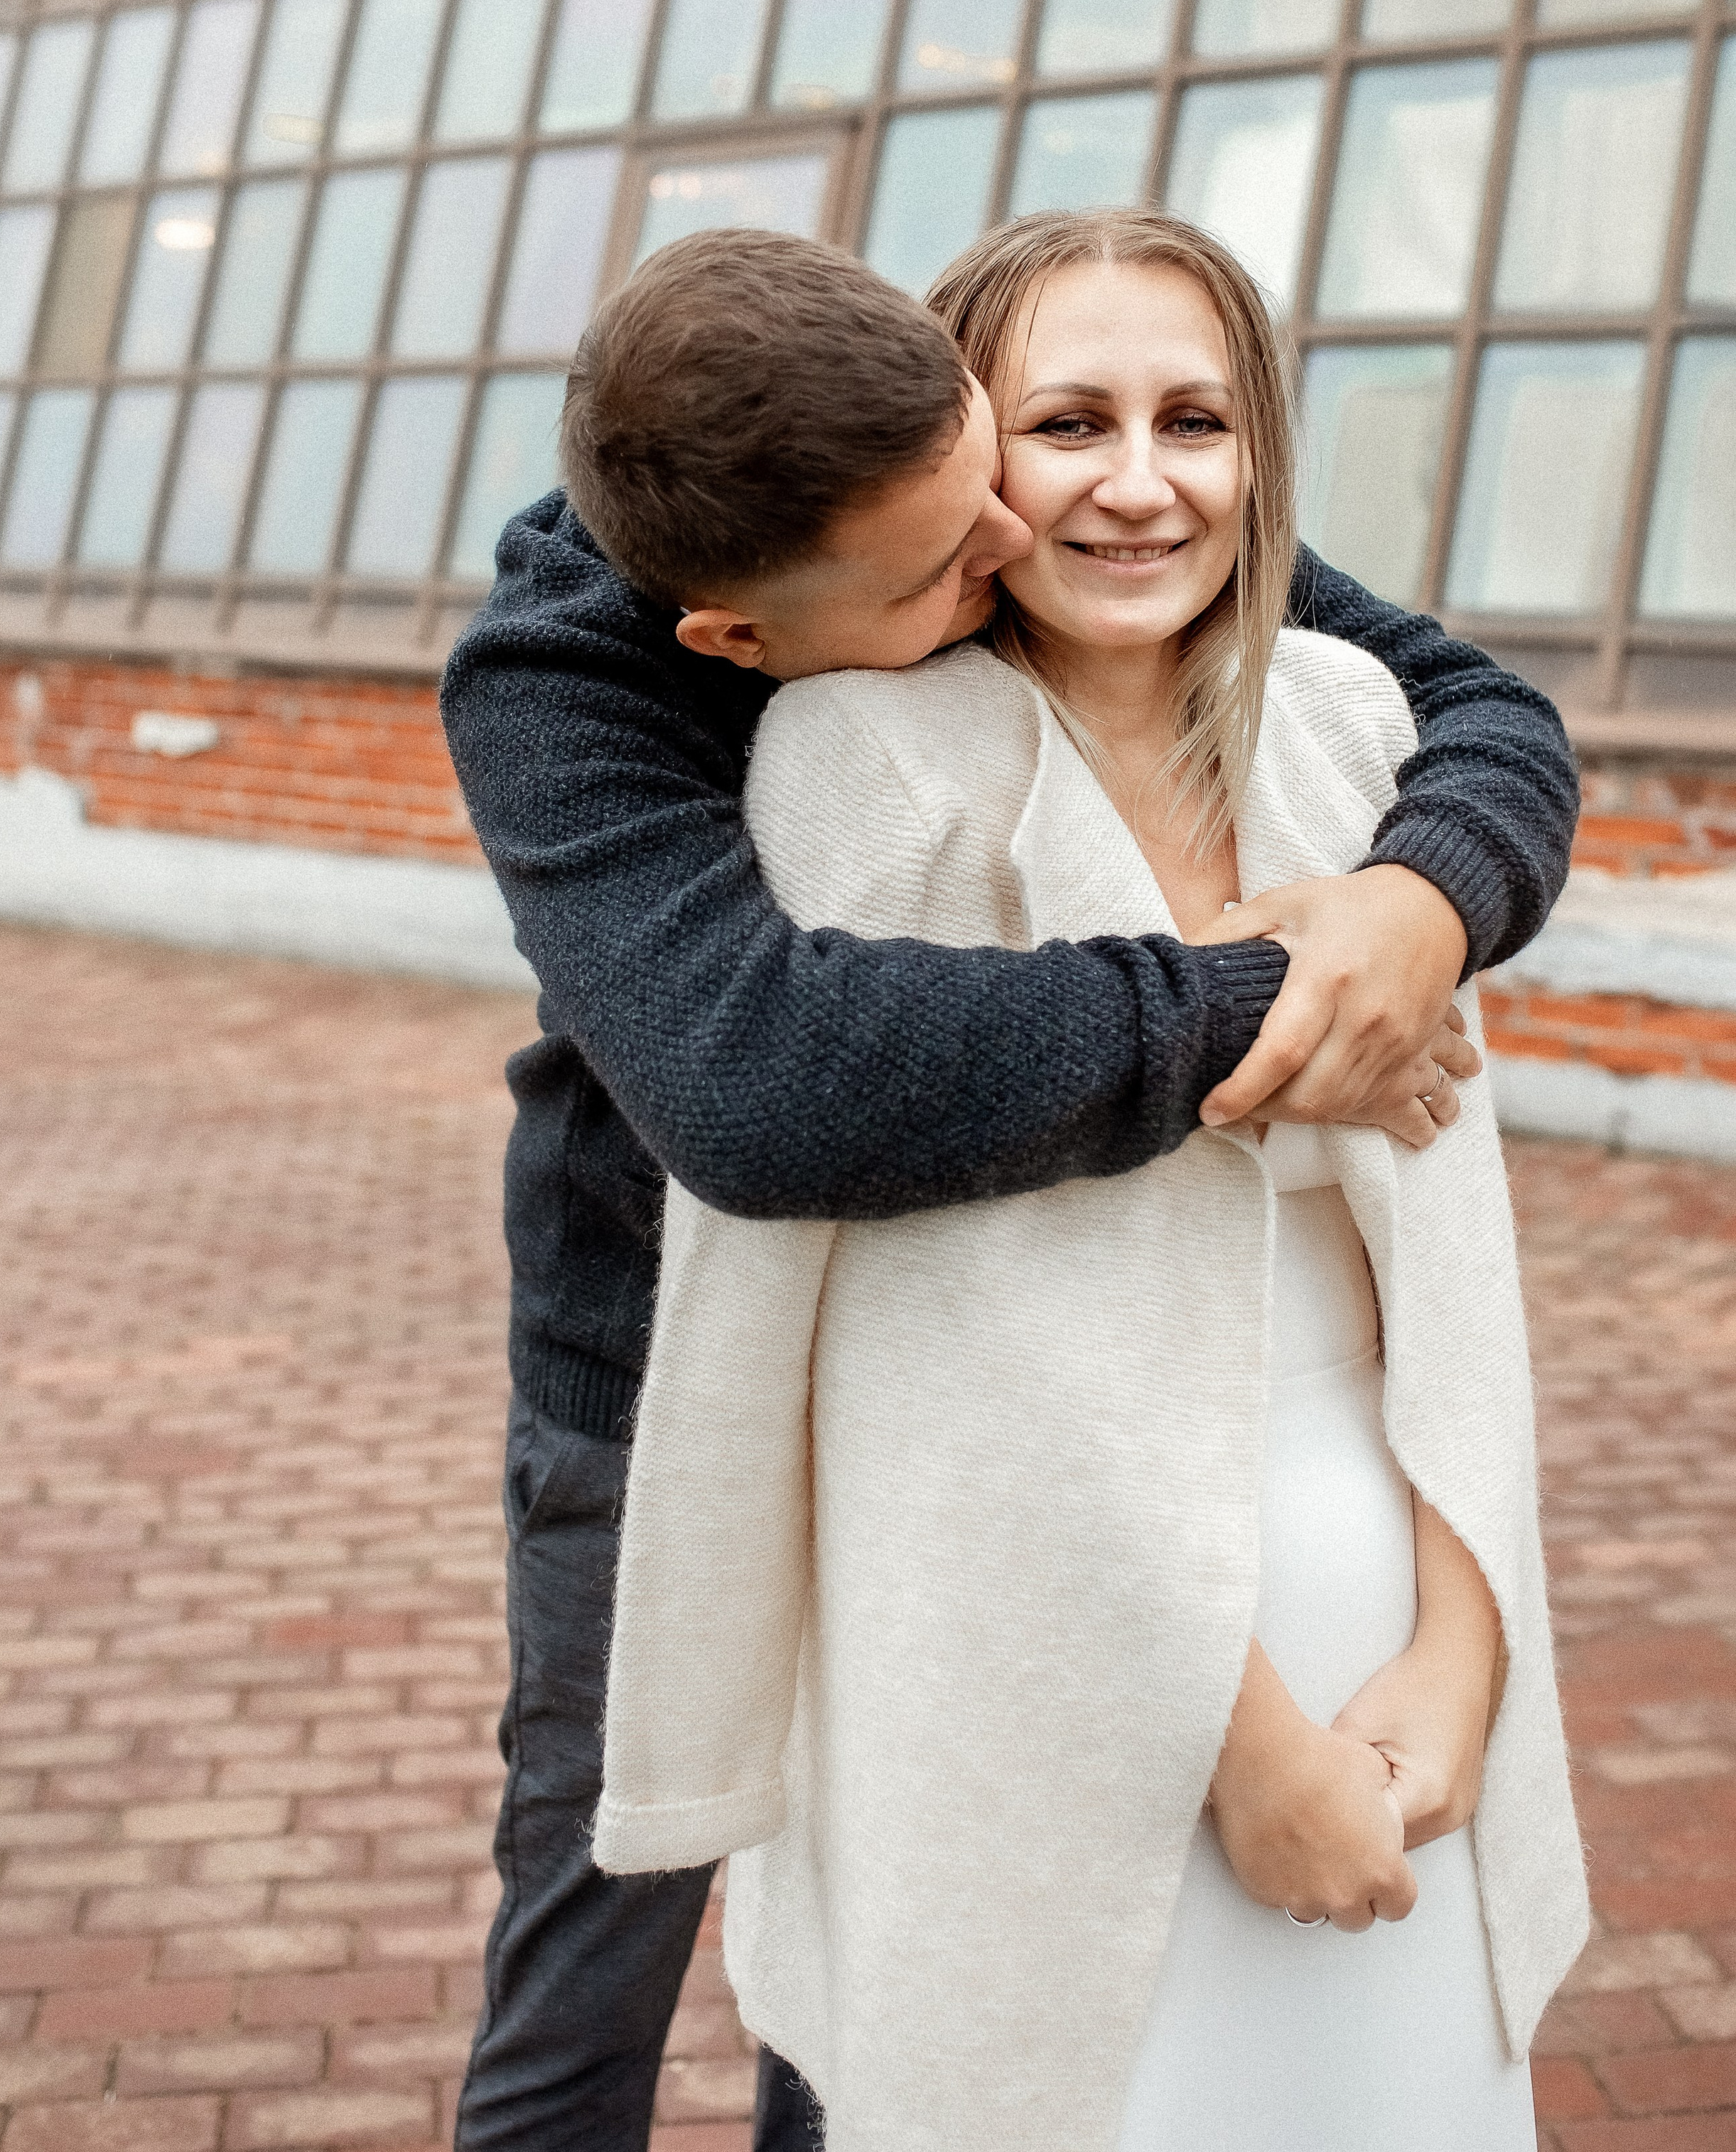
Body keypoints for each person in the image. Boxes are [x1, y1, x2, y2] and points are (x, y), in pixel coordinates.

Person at [437, 227, 1580, 2152]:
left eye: (995, 487)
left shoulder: (969, 471)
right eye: (954, 559)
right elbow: (767, 1083)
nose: (1013, 557)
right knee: (602, 1935)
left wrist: (1421, 893)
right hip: (662, 1379)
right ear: (743, 632)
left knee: (904, 1942)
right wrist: (1275, 999)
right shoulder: (586, 668)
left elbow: (1474, 707)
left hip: (1031, 1366)